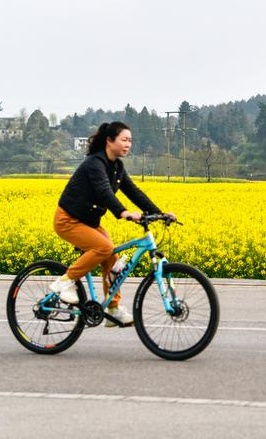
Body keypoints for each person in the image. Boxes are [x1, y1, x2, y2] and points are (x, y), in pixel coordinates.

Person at [48, 121, 175, 326]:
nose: (128, 144)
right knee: (104, 247)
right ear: (109, 140)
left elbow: (134, 192)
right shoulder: (95, 163)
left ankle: (113, 309)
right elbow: (103, 191)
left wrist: (159, 213)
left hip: (88, 223)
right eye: (124, 140)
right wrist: (123, 212)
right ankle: (64, 282)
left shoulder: (117, 167)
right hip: (68, 220)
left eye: (130, 141)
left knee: (112, 257)